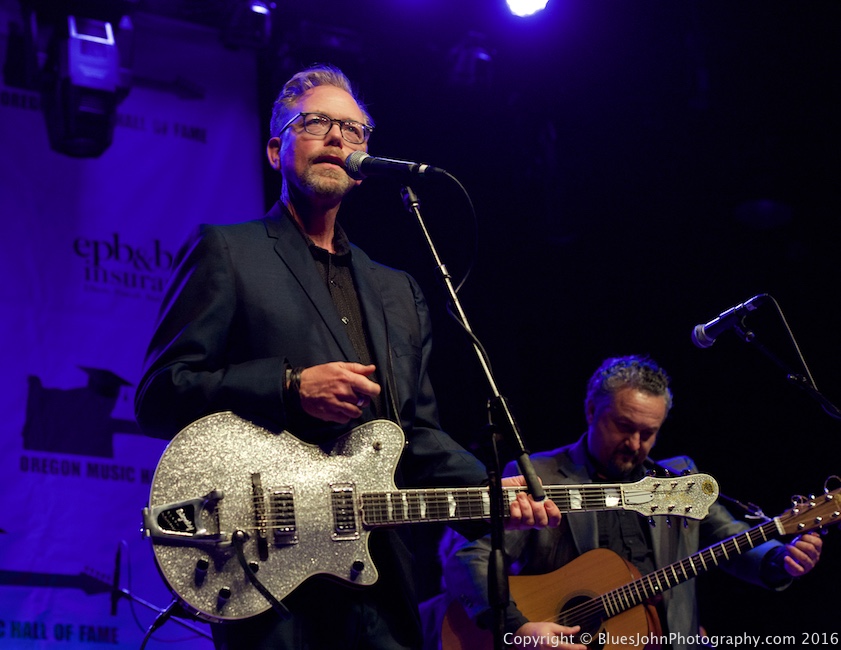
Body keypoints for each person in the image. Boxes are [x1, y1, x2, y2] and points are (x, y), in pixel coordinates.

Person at [134, 64, 561, 650]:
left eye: (353, 129)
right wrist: (290, 387)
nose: (337, 137)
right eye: (316, 123)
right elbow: (160, 394)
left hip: (380, 584)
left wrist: (493, 494)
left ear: (363, 165)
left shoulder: (399, 292)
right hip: (272, 583)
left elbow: (416, 437)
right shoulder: (228, 251)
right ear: (276, 151)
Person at [439, 355, 823, 650]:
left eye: (648, 433)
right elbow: (468, 558)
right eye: (624, 426)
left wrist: (779, 558)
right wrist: (518, 627)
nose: (635, 444)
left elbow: (729, 538)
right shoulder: (540, 476)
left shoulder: (677, 481)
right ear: (591, 411)